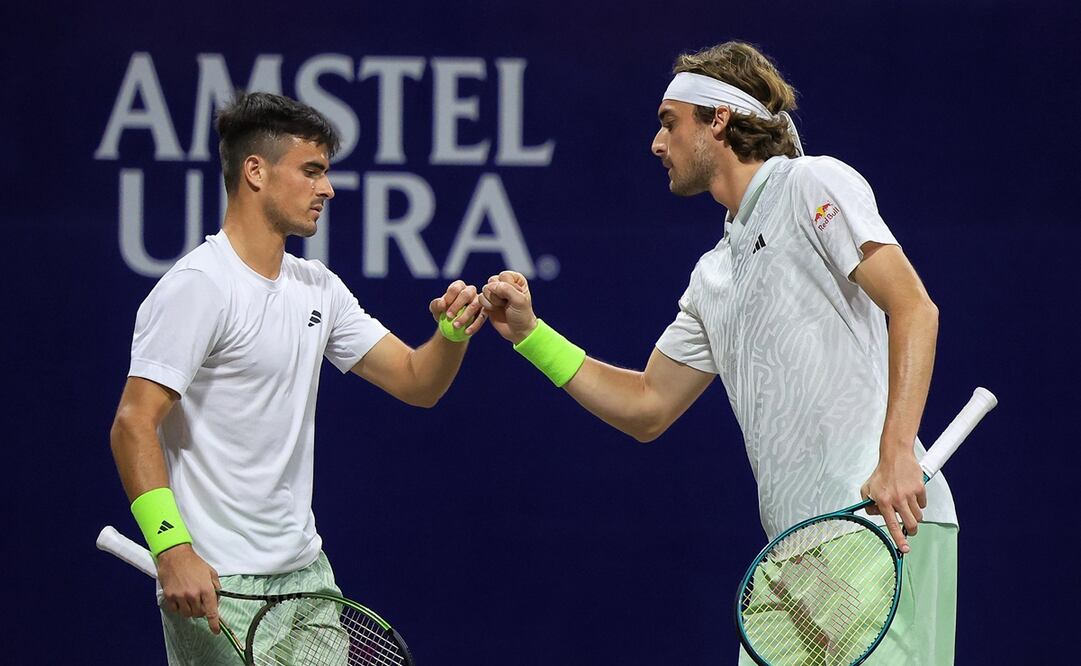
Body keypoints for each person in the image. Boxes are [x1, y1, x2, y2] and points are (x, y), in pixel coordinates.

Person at [479, 42, 956, 664]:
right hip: (793, 558)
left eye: (669, 122)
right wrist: (530, 335)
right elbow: (646, 405)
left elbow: (915, 308)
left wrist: (897, 455)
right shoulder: (713, 274)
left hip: (884, 527)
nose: (657, 143)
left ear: (719, 119)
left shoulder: (812, 183)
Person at [109, 91, 486, 664]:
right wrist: (171, 548)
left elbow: (417, 381)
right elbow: (133, 423)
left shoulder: (318, 287)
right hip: (217, 580)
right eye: (311, 171)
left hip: (307, 577)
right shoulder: (199, 286)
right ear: (255, 172)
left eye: (325, 173)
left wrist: (453, 334)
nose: (327, 188)